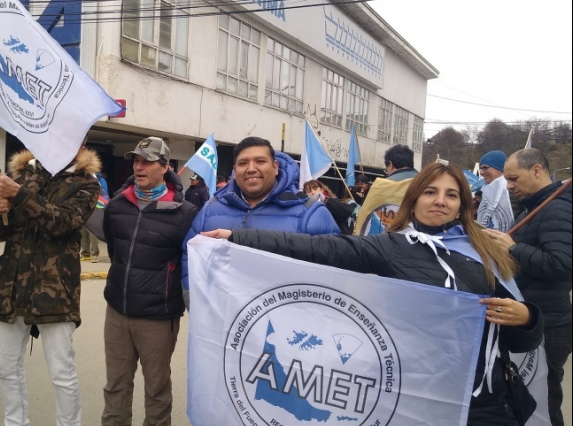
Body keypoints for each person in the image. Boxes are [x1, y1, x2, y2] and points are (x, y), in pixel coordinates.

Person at [205, 162, 544, 425]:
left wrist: (526, 318)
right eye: (430, 192)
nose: (440, 200)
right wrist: (237, 238)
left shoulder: (485, 251)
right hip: (417, 400)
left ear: (461, 205)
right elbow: (316, 248)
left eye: (451, 194)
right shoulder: (389, 247)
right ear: (413, 201)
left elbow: (519, 342)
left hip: (485, 402)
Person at [0, 141, 102, 426]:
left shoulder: (85, 184)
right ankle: (15, 422)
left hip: (55, 290)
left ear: (80, 143)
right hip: (10, 288)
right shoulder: (21, 175)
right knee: (6, 369)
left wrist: (19, 195)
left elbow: (62, 223)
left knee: (62, 372)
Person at [101, 136, 198, 426]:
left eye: (147, 161)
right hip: (117, 311)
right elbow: (115, 251)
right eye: (136, 160)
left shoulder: (185, 213)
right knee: (115, 385)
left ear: (165, 167)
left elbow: (188, 266)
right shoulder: (118, 204)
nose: (139, 166)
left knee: (156, 389)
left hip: (157, 317)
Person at [181, 136, 339, 308]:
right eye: (243, 163)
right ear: (235, 170)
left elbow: (333, 273)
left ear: (275, 167)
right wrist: (194, 298)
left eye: (260, 161)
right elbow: (189, 253)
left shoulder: (310, 213)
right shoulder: (211, 209)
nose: (251, 169)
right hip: (220, 322)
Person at [484, 148, 572, 426]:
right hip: (534, 317)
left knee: (543, 404)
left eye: (513, 178)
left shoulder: (557, 208)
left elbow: (561, 264)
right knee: (527, 398)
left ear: (536, 170)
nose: (509, 186)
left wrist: (514, 248)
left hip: (549, 324)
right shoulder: (537, 206)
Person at [477, 150, 514, 232]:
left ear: (499, 169)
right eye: (481, 168)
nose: (482, 172)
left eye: (485, 168)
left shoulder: (511, 190)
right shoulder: (485, 190)